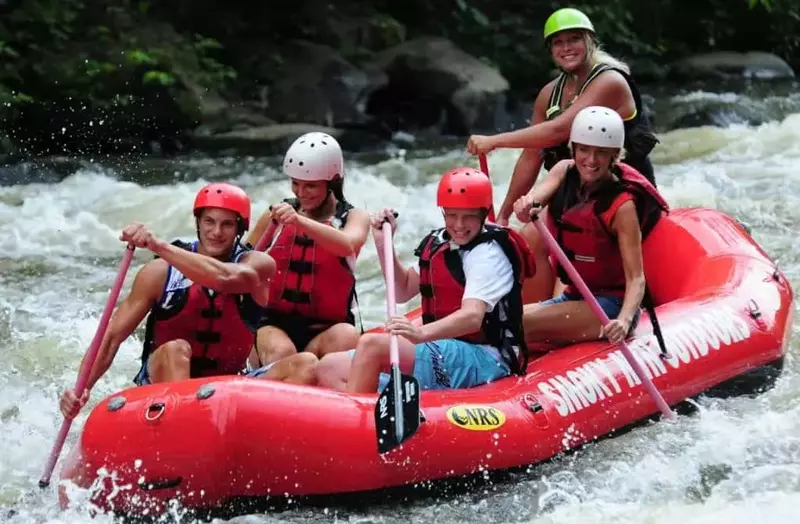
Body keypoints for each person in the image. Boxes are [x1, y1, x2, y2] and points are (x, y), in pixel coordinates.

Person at [59, 182, 318, 419]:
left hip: (227, 386)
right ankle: (182, 426)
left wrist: (158, 245)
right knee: (176, 349)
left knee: (305, 364)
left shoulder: (259, 265)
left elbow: (226, 278)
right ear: (198, 222)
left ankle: (266, 440)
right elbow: (111, 337)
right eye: (209, 221)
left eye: (227, 224)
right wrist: (81, 388)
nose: (216, 232)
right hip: (161, 381)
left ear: (240, 228)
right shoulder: (159, 273)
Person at [466, 7, 660, 301]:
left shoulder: (610, 81)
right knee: (529, 236)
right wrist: (504, 214)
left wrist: (495, 141)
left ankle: (556, 314)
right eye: (558, 42)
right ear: (550, 50)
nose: (566, 48)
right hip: (577, 194)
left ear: (590, 42)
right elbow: (531, 156)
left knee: (566, 233)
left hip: (621, 194)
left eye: (574, 39)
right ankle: (533, 323)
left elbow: (560, 130)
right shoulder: (549, 95)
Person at [316, 167, 536, 392]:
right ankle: (376, 412)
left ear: (483, 213)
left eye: (468, 216)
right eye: (452, 215)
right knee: (330, 367)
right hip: (444, 345)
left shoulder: (488, 254)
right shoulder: (441, 243)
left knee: (371, 346)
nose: (459, 225)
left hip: (487, 356)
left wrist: (420, 334)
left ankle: (360, 423)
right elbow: (402, 290)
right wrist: (384, 244)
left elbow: (471, 318)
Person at [514, 106, 668, 348]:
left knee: (511, 325)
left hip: (611, 308)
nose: (591, 160)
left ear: (614, 155)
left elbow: (636, 278)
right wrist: (527, 205)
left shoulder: (622, 205)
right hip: (575, 296)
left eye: (601, 153)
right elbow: (536, 199)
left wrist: (625, 321)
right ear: (574, 148)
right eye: (584, 150)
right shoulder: (564, 170)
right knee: (496, 320)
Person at [245, 132, 370, 373]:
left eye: (310, 185)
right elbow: (241, 262)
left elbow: (347, 244)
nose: (301, 192)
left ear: (332, 182)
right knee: (283, 353)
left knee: (347, 336)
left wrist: (300, 222)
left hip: (326, 329)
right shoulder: (275, 216)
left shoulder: (353, 218)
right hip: (272, 324)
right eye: (296, 183)